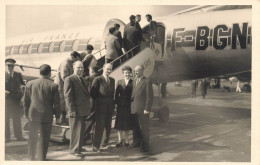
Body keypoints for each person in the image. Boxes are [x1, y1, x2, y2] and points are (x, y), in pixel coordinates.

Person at [23, 64, 60, 160]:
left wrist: (26, 113)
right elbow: (56, 104)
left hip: (33, 115)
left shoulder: (29, 83)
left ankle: (31, 157)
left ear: (39, 72)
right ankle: (41, 158)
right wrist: (58, 116)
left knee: (32, 138)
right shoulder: (54, 85)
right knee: (44, 139)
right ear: (50, 73)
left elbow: (26, 101)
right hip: (47, 116)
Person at [64, 61, 92, 157]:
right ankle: (74, 149)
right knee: (75, 130)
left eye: (82, 68)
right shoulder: (69, 79)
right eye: (78, 67)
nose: (80, 69)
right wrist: (71, 110)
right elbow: (68, 96)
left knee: (81, 130)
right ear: (73, 68)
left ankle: (79, 147)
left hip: (83, 109)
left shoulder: (82, 79)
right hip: (75, 110)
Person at [90, 63, 115, 152]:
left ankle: (104, 144)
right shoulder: (97, 79)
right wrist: (98, 103)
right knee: (99, 127)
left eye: (110, 69)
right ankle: (95, 146)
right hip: (100, 107)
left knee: (108, 126)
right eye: (107, 69)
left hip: (109, 107)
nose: (109, 71)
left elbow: (112, 94)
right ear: (103, 68)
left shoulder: (112, 80)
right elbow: (92, 93)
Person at [130, 65, 154, 153]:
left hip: (143, 109)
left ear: (142, 71)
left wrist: (147, 108)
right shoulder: (133, 81)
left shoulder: (147, 81)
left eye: (137, 71)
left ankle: (145, 146)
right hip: (134, 108)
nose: (135, 73)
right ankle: (136, 142)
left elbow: (149, 96)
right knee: (135, 127)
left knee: (144, 128)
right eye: (135, 71)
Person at [54, 51, 81, 125]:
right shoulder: (65, 63)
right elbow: (64, 77)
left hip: (65, 85)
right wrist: (73, 83)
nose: (76, 61)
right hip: (61, 86)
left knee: (64, 102)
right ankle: (60, 120)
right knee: (62, 102)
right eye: (76, 60)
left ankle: (63, 119)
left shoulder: (70, 63)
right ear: (73, 57)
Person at [5, 58, 26, 142]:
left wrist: (22, 90)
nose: (10, 67)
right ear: (5, 65)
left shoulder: (18, 74)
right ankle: (7, 137)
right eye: (8, 65)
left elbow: (22, 84)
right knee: (5, 119)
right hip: (6, 100)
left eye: (12, 66)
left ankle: (19, 136)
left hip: (15, 100)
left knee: (16, 118)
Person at [114, 65, 133, 147]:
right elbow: (116, 94)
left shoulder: (133, 82)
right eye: (125, 73)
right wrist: (115, 104)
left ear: (131, 73)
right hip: (120, 106)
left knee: (127, 123)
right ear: (123, 73)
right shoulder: (119, 82)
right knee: (119, 123)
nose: (127, 74)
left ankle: (127, 141)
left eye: (128, 73)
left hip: (129, 105)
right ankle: (119, 140)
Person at [84, 66, 99, 146]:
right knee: (95, 122)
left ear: (91, 71)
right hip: (98, 102)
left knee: (88, 120)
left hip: (90, 102)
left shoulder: (88, 78)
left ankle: (83, 138)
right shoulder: (100, 77)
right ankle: (93, 140)